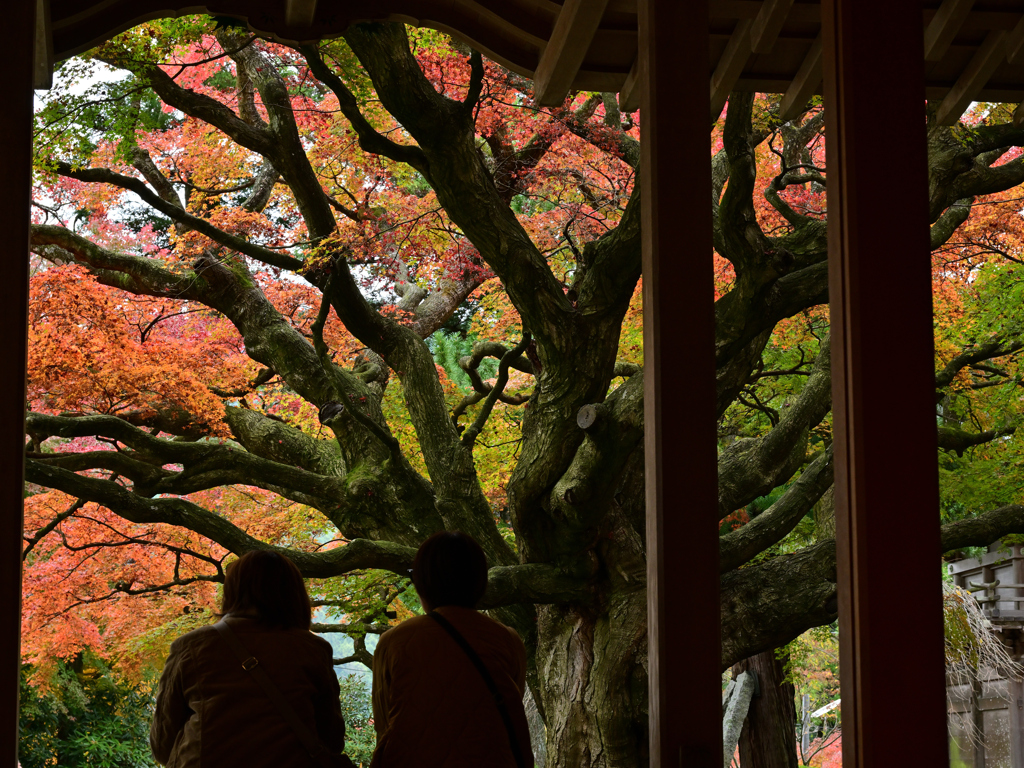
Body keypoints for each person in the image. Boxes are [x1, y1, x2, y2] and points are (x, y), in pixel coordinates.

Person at [150, 550, 349, 767]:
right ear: (294, 594)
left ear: (232, 591)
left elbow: (162, 745)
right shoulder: (313, 649)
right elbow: (332, 740)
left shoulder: (191, 647)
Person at [370, 531, 532, 767]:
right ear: (479, 581)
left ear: (424, 582)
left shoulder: (393, 642)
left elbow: (385, 725)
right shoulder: (507, 640)